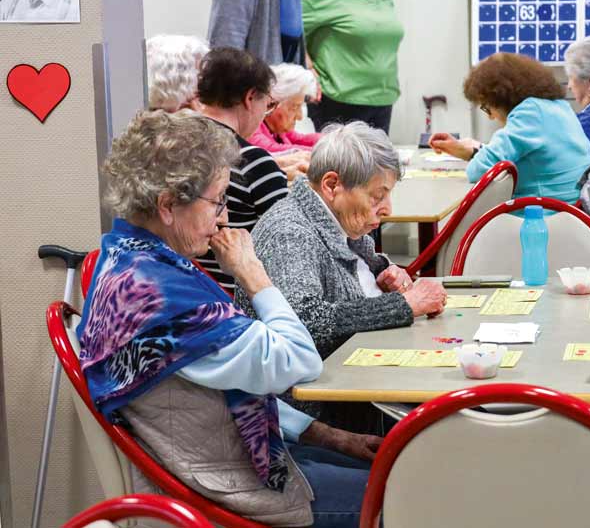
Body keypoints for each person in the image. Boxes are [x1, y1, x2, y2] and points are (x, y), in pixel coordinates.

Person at [77, 110, 383, 527]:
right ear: (168, 206)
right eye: (218, 200)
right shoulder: (164, 297)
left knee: (393, 470)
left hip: (218, 458)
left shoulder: (127, 258)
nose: (224, 217)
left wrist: (327, 435)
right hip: (222, 489)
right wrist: (253, 273)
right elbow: (300, 361)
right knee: (410, 493)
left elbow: (214, 388)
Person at [236, 122, 447, 423]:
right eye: (377, 196)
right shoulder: (290, 233)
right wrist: (403, 306)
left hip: (353, 382)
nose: (387, 209)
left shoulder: (332, 217)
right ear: (332, 185)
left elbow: (354, 265)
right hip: (323, 410)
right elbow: (303, 320)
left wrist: (385, 273)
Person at [428, 53, 590, 204]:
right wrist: (472, 151)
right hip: (570, 214)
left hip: (544, 217)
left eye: (486, 107)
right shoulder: (558, 107)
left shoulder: (530, 113)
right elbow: (525, 156)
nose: (490, 116)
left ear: (502, 97)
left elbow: (476, 171)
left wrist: (478, 155)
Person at [194, 47, 290, 291]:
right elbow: (290, 245)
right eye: (267, 105)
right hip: (237, 297)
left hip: (177, 287)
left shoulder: (168, 143)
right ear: (250, 98)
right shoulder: (252, 162)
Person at [302, 0, 403, 133]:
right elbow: (289, 27)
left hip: (382, 99)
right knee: (345, 166)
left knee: (377, 166)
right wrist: (308, 69)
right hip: (339, 100)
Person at [249, 62, 321, 155]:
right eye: (294, 107)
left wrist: (331, 140)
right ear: (272, 102)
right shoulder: (252, 126)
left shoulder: (276, 128)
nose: (300, 116)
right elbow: (271, 149)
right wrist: (322, 152)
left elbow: (300, 139)